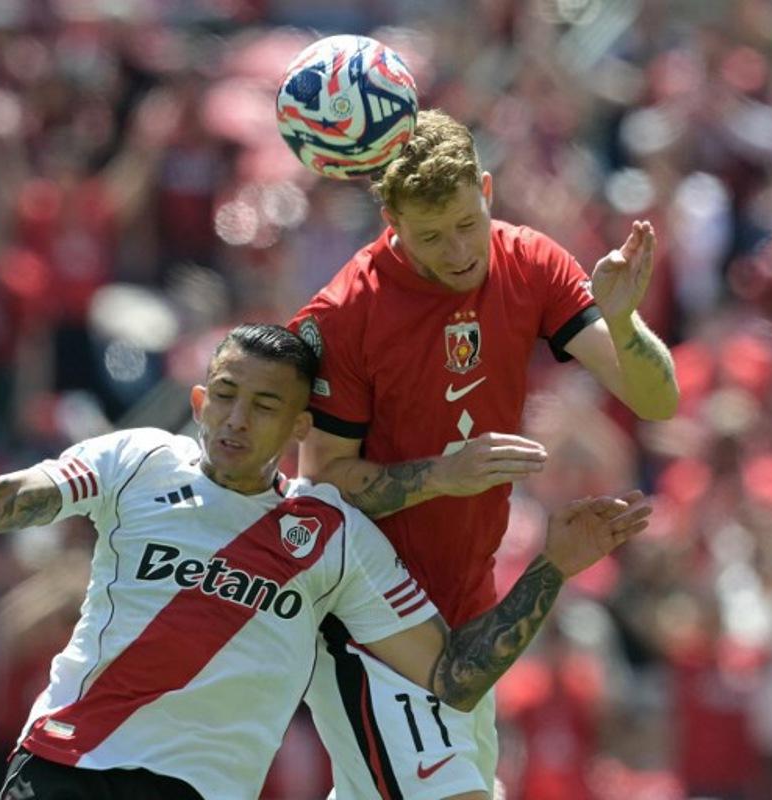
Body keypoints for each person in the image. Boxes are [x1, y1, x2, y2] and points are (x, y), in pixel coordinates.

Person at [0, 324, 651, 800]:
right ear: (197, 400)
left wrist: (550, 567)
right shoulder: (138, 459)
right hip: (66, 763)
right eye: (225, 396)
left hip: (198, 791)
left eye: (262, 406)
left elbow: (455, 676)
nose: (236, 420)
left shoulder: (331, 533)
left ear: (298, 426)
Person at [288, 109, 679, 799]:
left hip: (469, 613)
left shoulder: (530, 262)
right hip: (369, 621)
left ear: (487, 190)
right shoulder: (346, 312)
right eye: (431, 236)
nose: (460, 250)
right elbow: (320, 489)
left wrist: (621, 319)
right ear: (392, 223)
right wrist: (442, 475)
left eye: (468, 223)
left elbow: (656, 400)